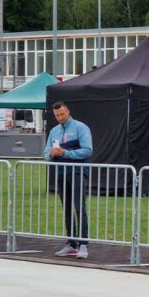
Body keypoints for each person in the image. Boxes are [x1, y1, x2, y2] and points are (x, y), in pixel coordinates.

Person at [44, 101, 93, 259]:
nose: (59, 117)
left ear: (68, 112)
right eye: (57, 115)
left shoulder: (81, 127)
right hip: (61, 174)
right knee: (67, 209)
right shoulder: (54, 131)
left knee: (80, 207)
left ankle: (83, 244)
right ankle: (72, 243)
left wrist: (65, 153)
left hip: (78, 172)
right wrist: (51, 154)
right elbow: (46, 155)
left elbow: (87, 150)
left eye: (62, 114)